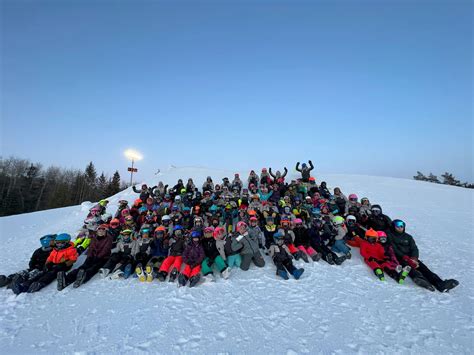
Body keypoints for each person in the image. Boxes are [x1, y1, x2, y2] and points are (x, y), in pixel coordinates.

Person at [387, 219, 459, 292]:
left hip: (411, 258)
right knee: (409, 268)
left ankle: (440, 284)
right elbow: (393, 248)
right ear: (393, 226)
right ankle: (421, 280)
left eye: (402, 225)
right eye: (397, 225)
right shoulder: (389, 235)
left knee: (425, 269)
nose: (400, 227)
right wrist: (404, 257)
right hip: (400, 259)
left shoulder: (408, 237)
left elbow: (414, 248)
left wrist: (414, 258)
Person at [57, 224, 113, 290]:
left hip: (103, 258)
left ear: (106, 231)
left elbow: (105, 250)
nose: (101, 231)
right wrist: (89, 257)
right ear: (97, 231)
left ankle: (84, 276)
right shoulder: (94, 238)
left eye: (103, 230)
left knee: (93, 267)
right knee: (83, 266)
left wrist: (98, 257)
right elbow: (91, 248)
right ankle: (67, 279)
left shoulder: (109, 239)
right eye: (99, 229)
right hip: (92, 256)